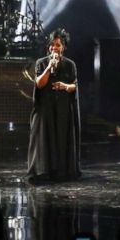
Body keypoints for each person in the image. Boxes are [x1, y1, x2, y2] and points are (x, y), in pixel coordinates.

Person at [27, 29, 81, 183]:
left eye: (57, 45)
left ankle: (62, 171)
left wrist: (64, 86)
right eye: (52, 45)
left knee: (61, 137)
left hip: (63, 108)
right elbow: (39, 83)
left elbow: (74, 87)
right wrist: (49, 68)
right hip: (46, 108)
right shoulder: (41, 62)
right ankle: (43, 171)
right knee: (45, 138)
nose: (54, 48)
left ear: (63, 47)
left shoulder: (70, 65)